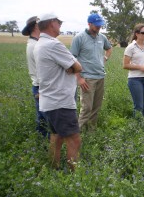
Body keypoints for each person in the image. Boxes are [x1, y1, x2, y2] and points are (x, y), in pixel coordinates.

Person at [34, 13, 82, 171]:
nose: (60, 24)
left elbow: (71, 67)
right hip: (60, 100)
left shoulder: (40, 43)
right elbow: (77, 67)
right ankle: (74, 177)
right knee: (74, 138)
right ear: (51, 24)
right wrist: (70, 67)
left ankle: (53, 168)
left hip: (50, 99)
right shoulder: (53, 44)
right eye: (58, 22)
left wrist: (69, 67)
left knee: (57, 136)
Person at [70, 13, 112, 132]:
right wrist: (79, 78)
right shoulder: (79, 38)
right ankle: (77, 133)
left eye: (100, 25)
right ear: (89, 24)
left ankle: (91, 132)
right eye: (96, 25)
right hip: (87, 78)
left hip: (100, 76)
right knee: (86, 108)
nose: (99, 27)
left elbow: (109, 48)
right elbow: (72, 59)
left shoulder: (102, 37)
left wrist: (105, 59)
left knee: (96, 107)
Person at [22, 16, 49, 138]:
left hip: (39, 86)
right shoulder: (35, 46)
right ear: (36, 26)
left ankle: (41, 143)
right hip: (41, 87)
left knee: (42, 119)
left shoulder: (34, 43)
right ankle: (47, 148)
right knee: (48, 120)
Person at [123, 23, 144, 118]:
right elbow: (125, 65)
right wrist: (139, 67)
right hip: (135, 79)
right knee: (139, 106)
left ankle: (143, 128)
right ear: (137, 34)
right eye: (143, 32)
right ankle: (137, 128)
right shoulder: (130, 47)